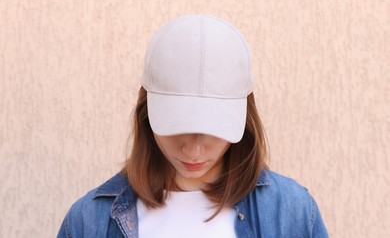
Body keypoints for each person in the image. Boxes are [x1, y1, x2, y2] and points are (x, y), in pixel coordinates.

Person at [58, 14, 328, 238]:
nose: (194, 150)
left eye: (215, 129)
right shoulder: (88, 222)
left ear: (244, 119)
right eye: (177, 126)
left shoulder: (291, 213)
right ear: (146, 114)